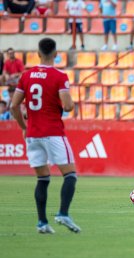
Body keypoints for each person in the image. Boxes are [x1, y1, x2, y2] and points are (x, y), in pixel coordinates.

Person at [10, 38, 81, 234]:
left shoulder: (26, 75)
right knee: (70, 175)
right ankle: (63, 213)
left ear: (38, 53)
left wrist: (24, 127)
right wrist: (70, 102)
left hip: (33, 134)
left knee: (42, 179)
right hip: (53, 133)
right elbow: (67, 106)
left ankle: (42, 222)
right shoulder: (59, 76)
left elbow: (14, 106)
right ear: (56, 53)